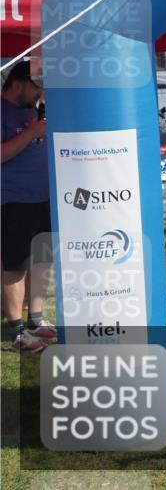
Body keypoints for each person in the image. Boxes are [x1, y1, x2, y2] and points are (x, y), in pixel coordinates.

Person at [1, 61, 57, 352]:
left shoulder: (33, 111)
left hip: (43, 196)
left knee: (42, 261)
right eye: (37, 88)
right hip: (13, 200)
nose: (40, 95)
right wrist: (30, 133)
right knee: (15, 265)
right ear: (18, 83)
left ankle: (35, 320)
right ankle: (17, 330)